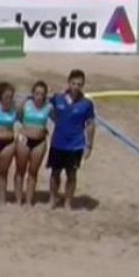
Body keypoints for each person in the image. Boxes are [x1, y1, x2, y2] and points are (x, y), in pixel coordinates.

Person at [49, 69, 96, 209]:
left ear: (83, 85)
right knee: (55, 173)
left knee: (71, 174)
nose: (76, 86)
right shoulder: (58, 98)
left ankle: (68, 201)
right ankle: (53, 199)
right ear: (68, 83)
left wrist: (89, 145)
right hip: (58, 143)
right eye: (74, 83)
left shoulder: (87, 104)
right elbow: (49, 111)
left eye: (79, 84)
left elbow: (90, 124)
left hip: (75, 145)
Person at [16, 80, 53, 206]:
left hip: (40, 141)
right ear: (33, 93)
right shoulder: (26, 104)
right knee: (20, 170)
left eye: (42, 94)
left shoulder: (48, 107)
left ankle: (28, 200)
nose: (39, 97)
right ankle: (18, 199)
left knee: (33, 171)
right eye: (37, 93)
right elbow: (19, 116)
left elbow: (57, 119)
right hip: (24, 138)